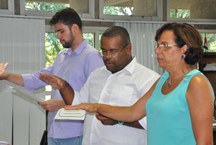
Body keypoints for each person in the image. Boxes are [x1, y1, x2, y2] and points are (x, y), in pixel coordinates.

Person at [64, 23, 215, 145]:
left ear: (184, 49)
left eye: (165, 45)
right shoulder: (163, 80)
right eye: (157, 45)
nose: (158, 51)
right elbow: (132, 112)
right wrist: (95, 106)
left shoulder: (196, 82)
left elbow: (205, 142)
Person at [39, 26, 160, 145]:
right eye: (104, 51)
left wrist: (118, 120)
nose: (107, 56)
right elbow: (78, 103)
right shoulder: (96, 75)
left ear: (128, 49)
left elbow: (153, 121)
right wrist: (63, 86)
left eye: (113, 51)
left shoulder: (148, 79)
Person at [0, 8, 104, 145]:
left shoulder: (91, 56)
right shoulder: (62, 57)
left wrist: (60, 104)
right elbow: (37, 78)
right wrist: (5, 75)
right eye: (57, 32)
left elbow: (97, 98)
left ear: (75, 28)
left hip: (77, 132)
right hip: (54, 131)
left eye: (61, 31)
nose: (58, 36)